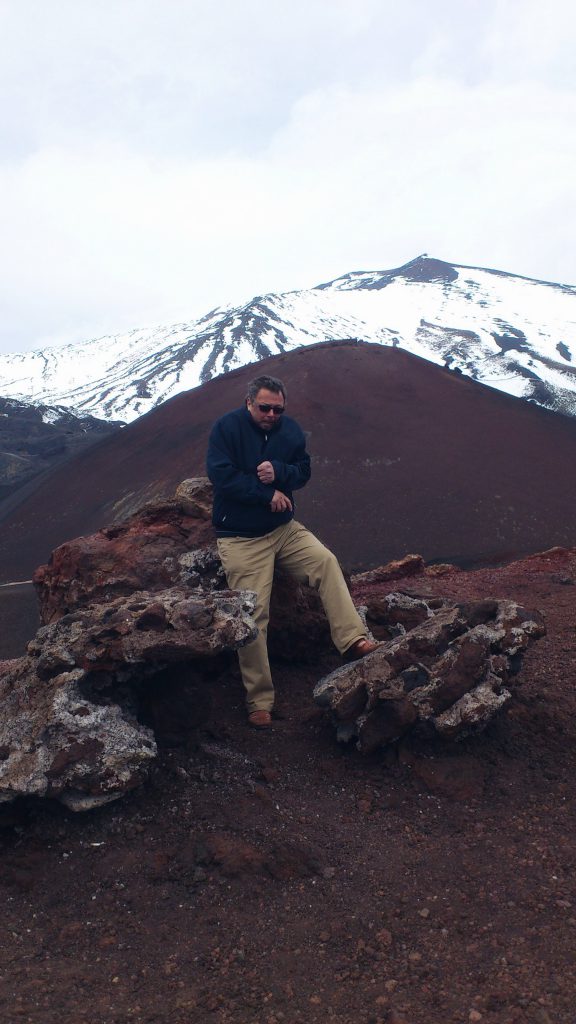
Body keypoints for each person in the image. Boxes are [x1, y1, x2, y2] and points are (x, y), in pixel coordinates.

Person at [206, 374, 379, 728]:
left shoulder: (290, 431)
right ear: (249, 403)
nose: (271, 414)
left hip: (283, 530)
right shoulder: (227, 428)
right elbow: (220, 475)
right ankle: (259, 700)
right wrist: (265, 493)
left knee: (326, 562)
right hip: (241, 536)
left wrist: (279, 472)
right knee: (253, 614)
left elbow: (302, 471)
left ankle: (353, 641)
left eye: (278, 409)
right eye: (265, 408)